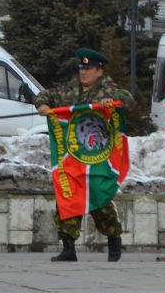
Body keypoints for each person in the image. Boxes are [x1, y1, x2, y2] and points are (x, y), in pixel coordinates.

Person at [34, 48, 134, 262]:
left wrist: (110, 100)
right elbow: (47, 94)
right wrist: (42, 104)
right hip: (73, 154)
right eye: (81, 68)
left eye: (88, 69)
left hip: (98, 157)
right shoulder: (71, 91)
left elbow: (128, 99)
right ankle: (68, 247)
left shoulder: (108, 88)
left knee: (98, 199)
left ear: (99, 71)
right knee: (68, 196)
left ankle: (113, 237)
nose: (83, 73)